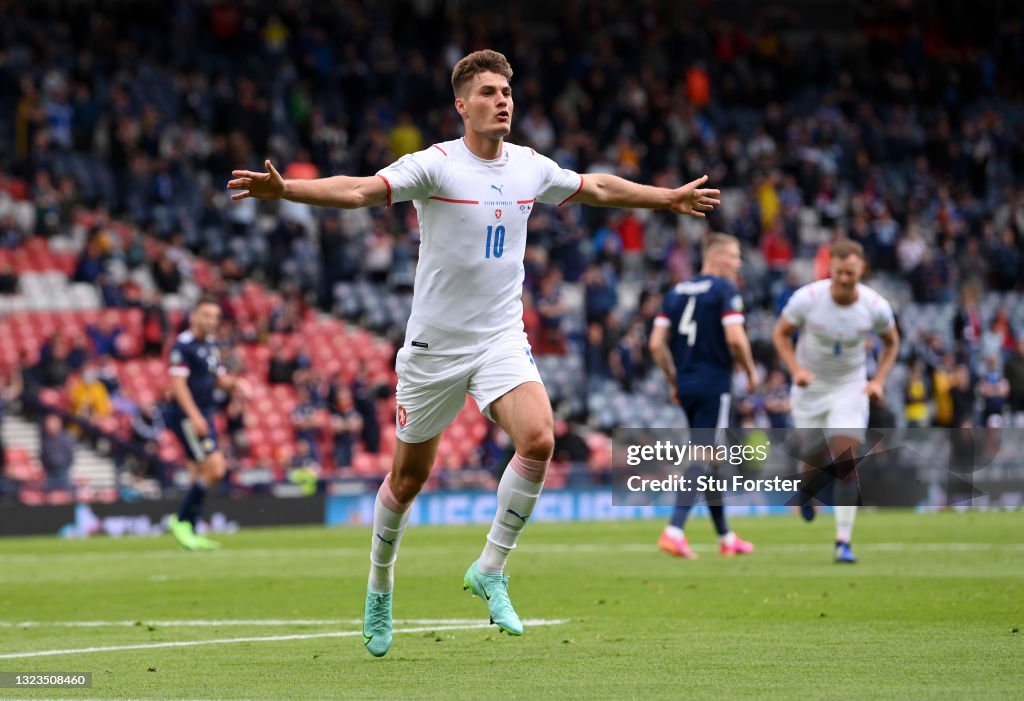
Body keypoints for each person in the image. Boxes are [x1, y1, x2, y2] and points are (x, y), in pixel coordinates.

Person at [228, 49, 721, 658]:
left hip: (499, 340)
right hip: (434, 350)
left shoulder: (529, 167)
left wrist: (665, 198)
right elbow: (358, 191)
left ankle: (491, 568)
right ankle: (380, 583)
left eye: (507, 90)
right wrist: (287, 190)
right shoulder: (435, 166)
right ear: (462, 105)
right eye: (488, 91)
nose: (503, 99)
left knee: (539, 438)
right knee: (408, 481)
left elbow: (595, 186)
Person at [772, 239, 899, 564]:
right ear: (831, 269)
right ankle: (806, 492)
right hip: (810, 389)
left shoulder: (875, 305)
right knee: (813, 459)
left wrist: (879, 381)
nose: (844, 279)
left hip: (849, 388)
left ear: (861, 270)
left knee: (845, 460)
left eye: (851, 273)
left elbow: (891, 343)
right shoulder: (808, 298)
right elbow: (780, 334)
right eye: (839, 272)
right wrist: (796, 369)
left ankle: (843, 542)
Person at [649, 233, 758, 560]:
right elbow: (736, 338)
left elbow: (656, 343)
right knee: (703, 455)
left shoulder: (676, 291)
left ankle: (726, 537)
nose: (738, 264)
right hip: (714, 384)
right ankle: (674, 531)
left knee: (713, 460)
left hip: (687, 383)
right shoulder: (725, 290)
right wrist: (751, 372)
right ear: (719, 256)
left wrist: (673, 379)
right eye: (735, 256)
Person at [164, 296, 249, 551]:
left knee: (200, 473)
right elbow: (177, 385)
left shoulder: (211, 344)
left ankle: (190, 528)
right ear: (194, 317)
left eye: (215, 316)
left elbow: (217, 378)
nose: (212, 321)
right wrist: (195, 416)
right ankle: (180, 520)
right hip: (188, 415)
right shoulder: (183, 345)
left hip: (205, 412)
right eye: (206, 315)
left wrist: (236, 384)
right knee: (215, 469)